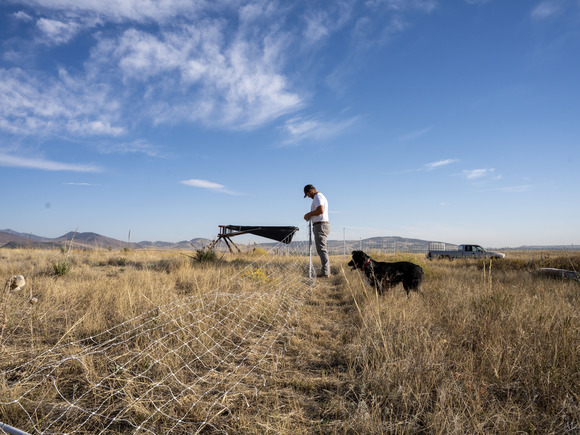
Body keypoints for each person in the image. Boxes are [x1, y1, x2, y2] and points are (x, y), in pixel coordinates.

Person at [303, 184, 330, 277]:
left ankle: (325, 273)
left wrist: (309, 214)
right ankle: (325, 271)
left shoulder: (318, 197)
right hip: (321, 225)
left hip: (320, 225)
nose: (309, 197)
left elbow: (320, 210)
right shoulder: (319, 197)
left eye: (308, 195)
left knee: (321, 249)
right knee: (321, 249)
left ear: (310, 191)